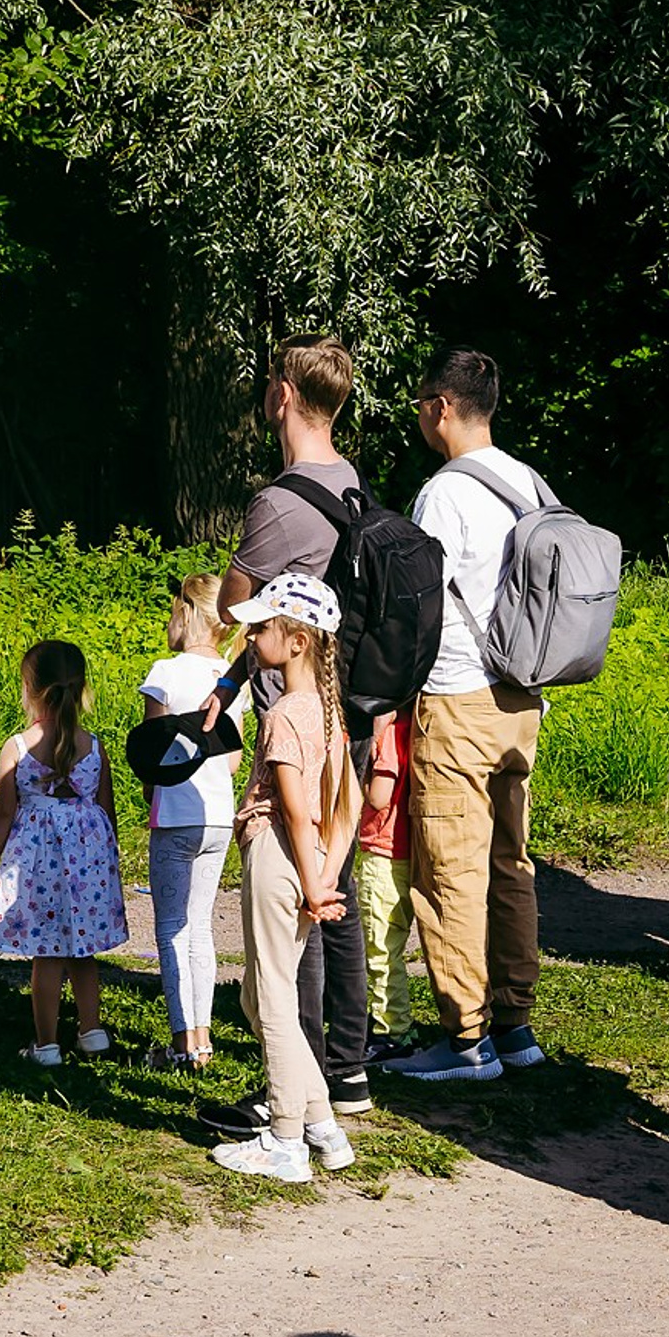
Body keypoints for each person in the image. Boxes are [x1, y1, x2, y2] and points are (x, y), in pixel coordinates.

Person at [209, 338, 371, 1115]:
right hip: (341, 709)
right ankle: (348, 1064)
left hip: (290, 716)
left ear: (281, 396)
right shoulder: (351, 485)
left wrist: (235, 672)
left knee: (293, 880)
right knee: (333, 878)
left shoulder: (277, 503)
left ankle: (294, 1079)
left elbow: (234, 607)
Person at [386, 347, 548, 1084]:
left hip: (457, 697)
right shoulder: (530, 482)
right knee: (510, 864)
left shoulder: (444, 494)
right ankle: (514, 1024)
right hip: (523, 698)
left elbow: (416, 606)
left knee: (449, 869)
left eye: (422, 402)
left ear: (441, 407)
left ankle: (465, 1039)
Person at [211, 572, 358, 1181]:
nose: (251, 635)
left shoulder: (283, 714)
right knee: (254, 992)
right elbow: (346, 806)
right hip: (306, 860)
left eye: (263, 626)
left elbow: (297, 808)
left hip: (278, 854)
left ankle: (285, 1139)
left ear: (297, 641)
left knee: (272, 991)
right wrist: (323, 875)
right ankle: (322, 1121)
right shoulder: (328, 710)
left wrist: (312, 878)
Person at [0, 639, 128, 1069]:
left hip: (37, 864)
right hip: (89, 862)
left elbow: (3, 812)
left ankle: (46, 1044)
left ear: (29, 688)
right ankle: (92, 1031)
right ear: (82, 688)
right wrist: (109, 862)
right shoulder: (94, 746)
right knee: (83, 952)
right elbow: (106, 808)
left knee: (47, 954)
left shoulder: (19, 747)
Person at [139, 577, 237, 1069]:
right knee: (201, 927)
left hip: (173, 815)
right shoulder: (229, 677)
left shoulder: (165, 672)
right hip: (219, 816)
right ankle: (204, 1038)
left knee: (172, 926)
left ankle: (182, 1043)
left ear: (187, 614)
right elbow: (235, 760)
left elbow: (154, 750)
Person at [356, 703, 416, 1057]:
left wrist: (356, 773)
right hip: (407, 851)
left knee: (381, 948)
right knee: (389, 945)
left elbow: (379, 796)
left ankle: (391, 1030)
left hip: (384, 852)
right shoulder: (412, 727)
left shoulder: (390, 734)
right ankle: (393, 1025)